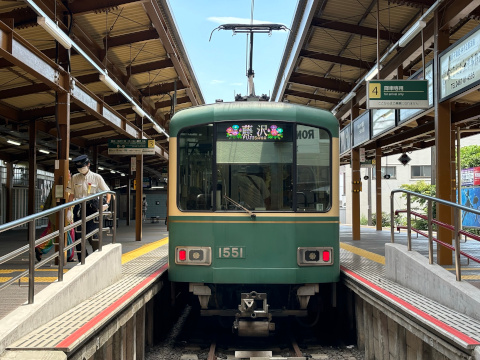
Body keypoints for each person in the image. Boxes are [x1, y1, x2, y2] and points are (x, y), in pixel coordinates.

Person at [67, 155, 111, 262]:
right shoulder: (75, 178)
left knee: (93, 234)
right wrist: (68, 210)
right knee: (78, 237)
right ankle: (83, 260)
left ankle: (97, 258)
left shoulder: (97, 177)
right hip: (78, 208)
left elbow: (108, 192)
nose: (81, 169)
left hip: (92, 208)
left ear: (88, 165)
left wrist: (107, 204)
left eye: (83, 167)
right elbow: (71, 195)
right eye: (79, 168)